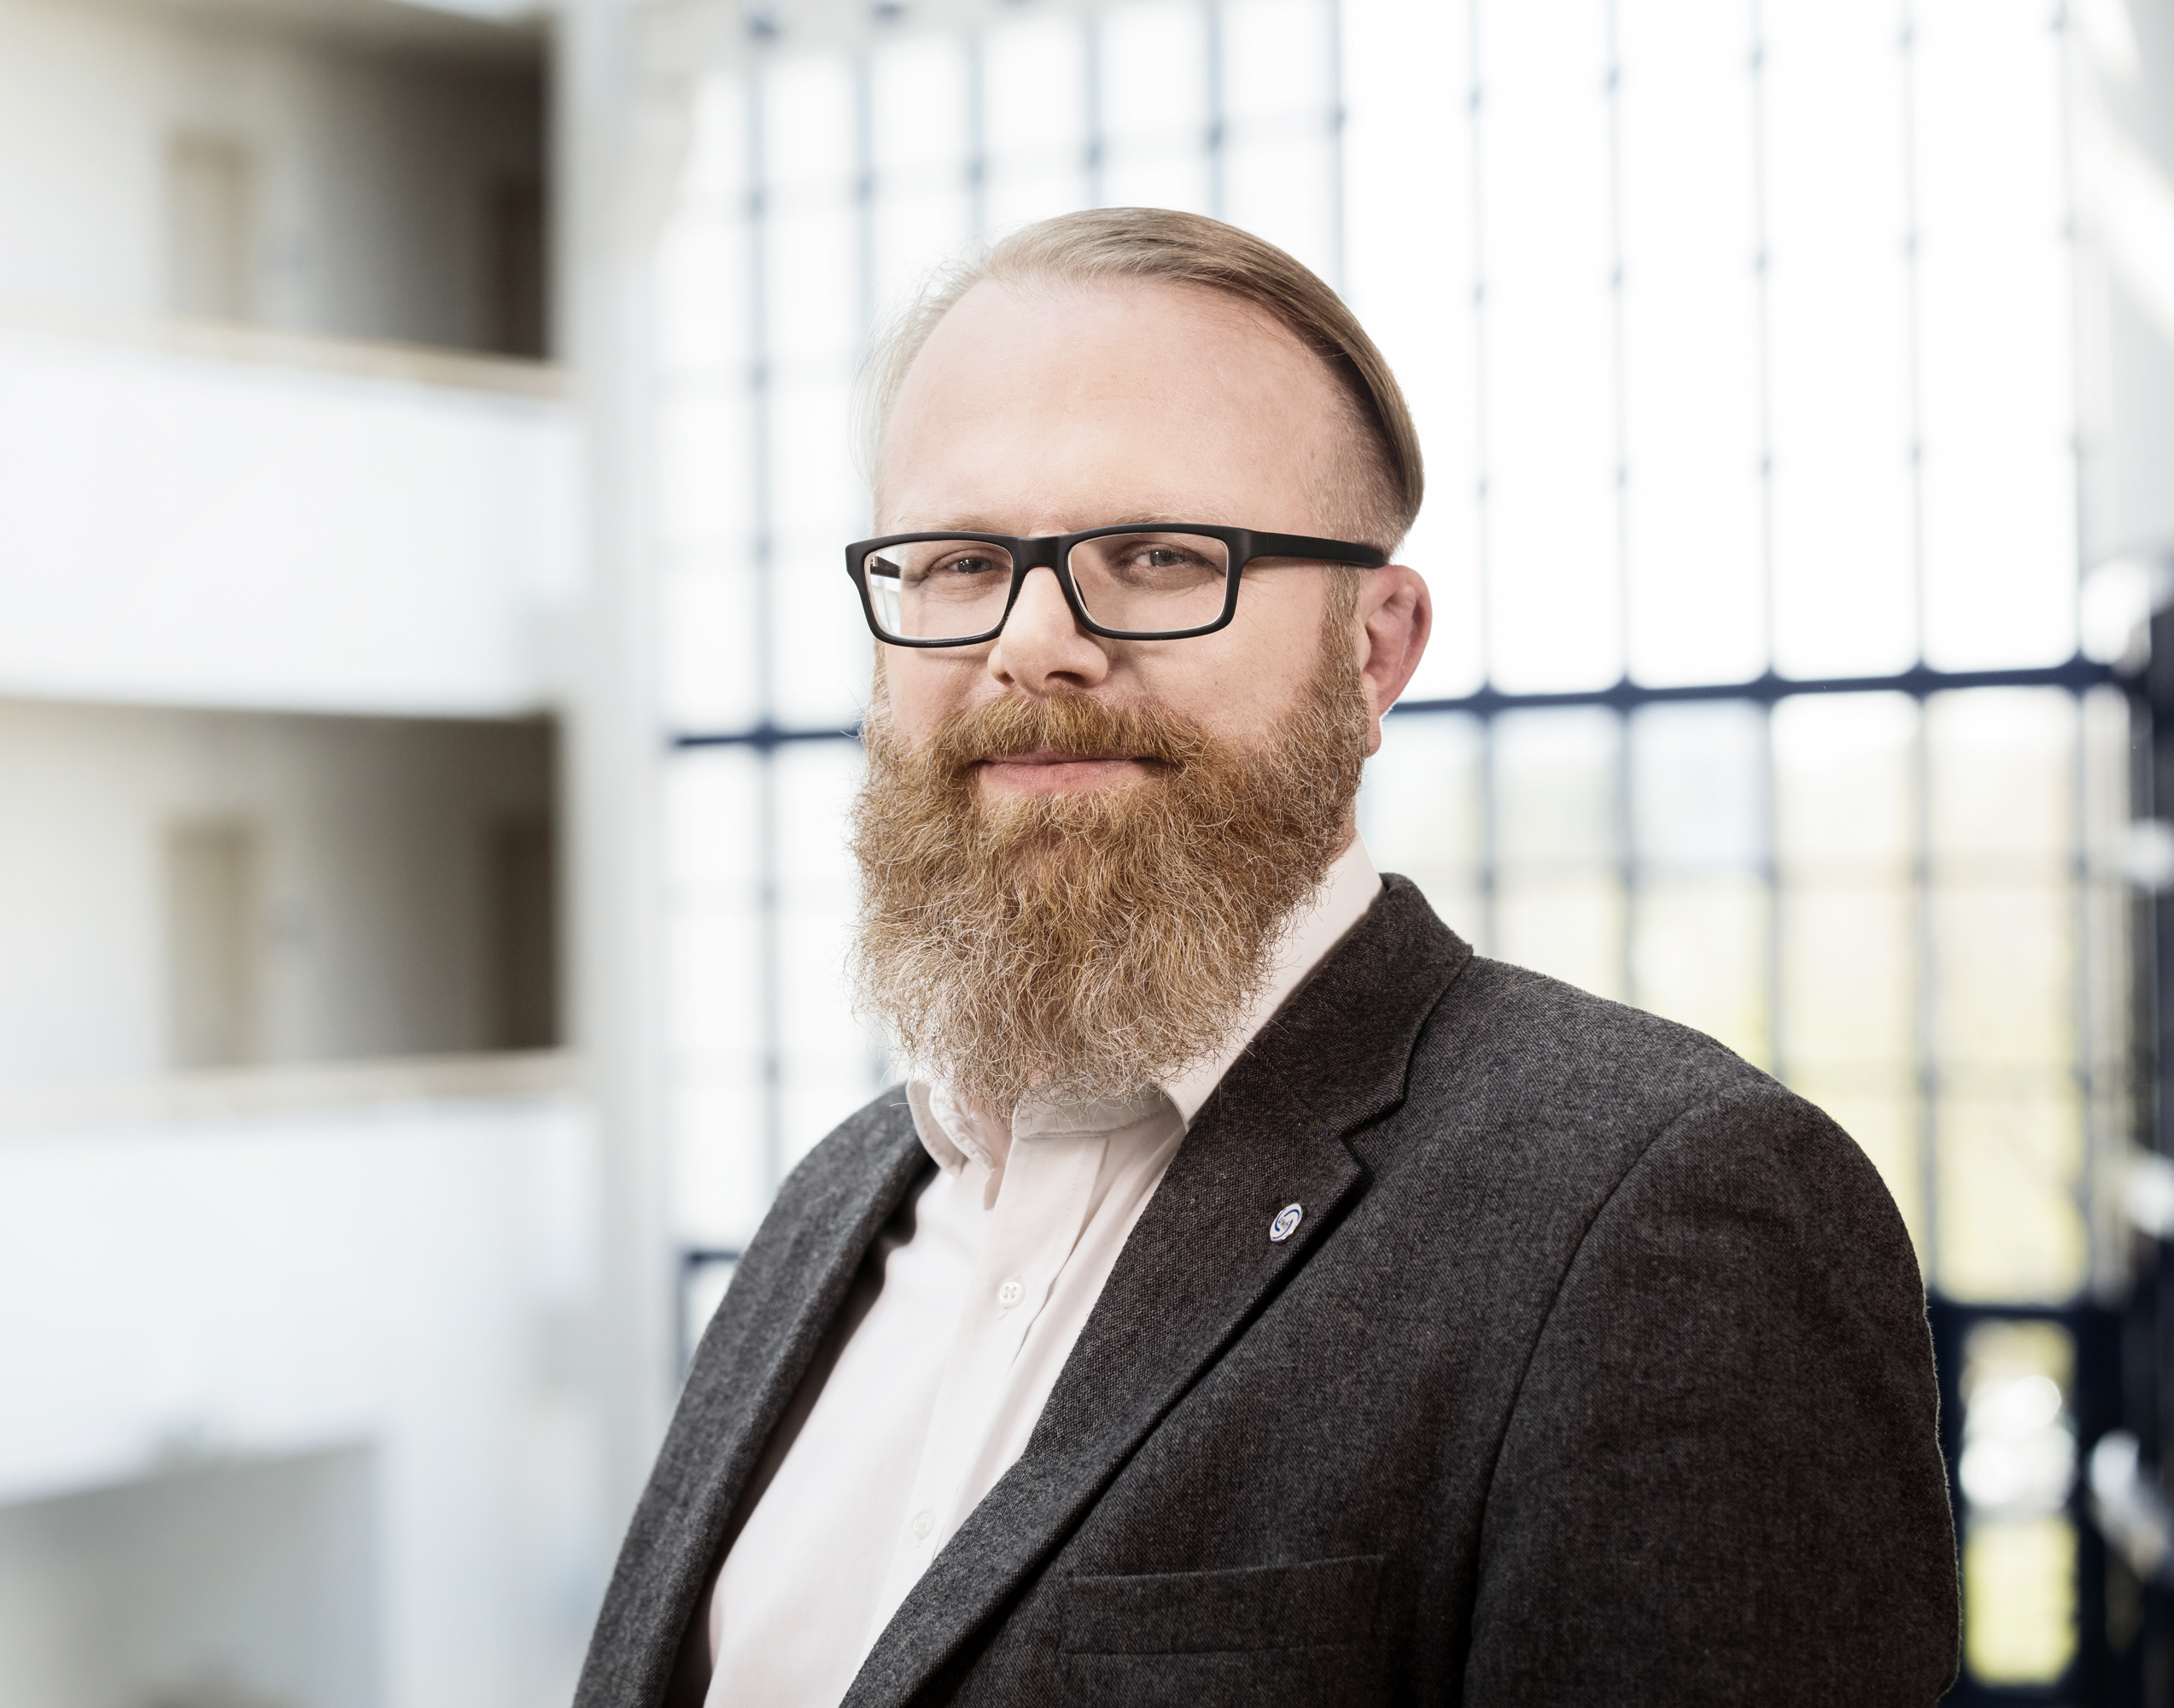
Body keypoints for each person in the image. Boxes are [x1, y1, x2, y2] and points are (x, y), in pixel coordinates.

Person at [577, 208, 1959, 1707]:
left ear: (1375, 649)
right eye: (961, 561)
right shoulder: (832, 1206)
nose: (1033, 642)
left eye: (1160, 555)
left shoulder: (1665, 1218)